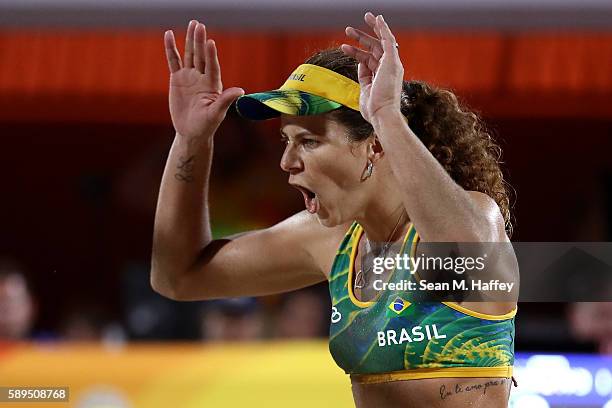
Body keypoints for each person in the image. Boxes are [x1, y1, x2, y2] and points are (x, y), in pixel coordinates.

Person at [152, 12, 518, 407]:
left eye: (308, 141)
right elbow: (178, 276)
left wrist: (387, 118)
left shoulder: (474, 219)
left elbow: (469, 253)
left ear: (374, 145)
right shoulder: (331, 240)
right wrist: (191, 141)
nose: (287, 162)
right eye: (285, 141)